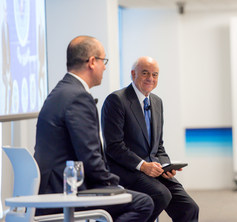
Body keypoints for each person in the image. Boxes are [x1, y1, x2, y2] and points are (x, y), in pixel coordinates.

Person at [34, 36, 154, 221]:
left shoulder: (61, 91)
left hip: (52, 186)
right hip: (64, 191)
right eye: (103, 61)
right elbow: (90, 157)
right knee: (143, 203)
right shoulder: (78, 97)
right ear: (92, 62)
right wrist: (115, 186)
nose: (105, 67)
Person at [101, 56, 199, 222]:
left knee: (189, 207)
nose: (150, 79)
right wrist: (143, 166)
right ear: (133, 74)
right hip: (128, 171)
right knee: (161, 195)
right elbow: (113, 146)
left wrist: (167, 166)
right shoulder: (117, 100)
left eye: (155, 75)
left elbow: (158, 146)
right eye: (145, 73)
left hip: (154, 171)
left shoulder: (157, 102)